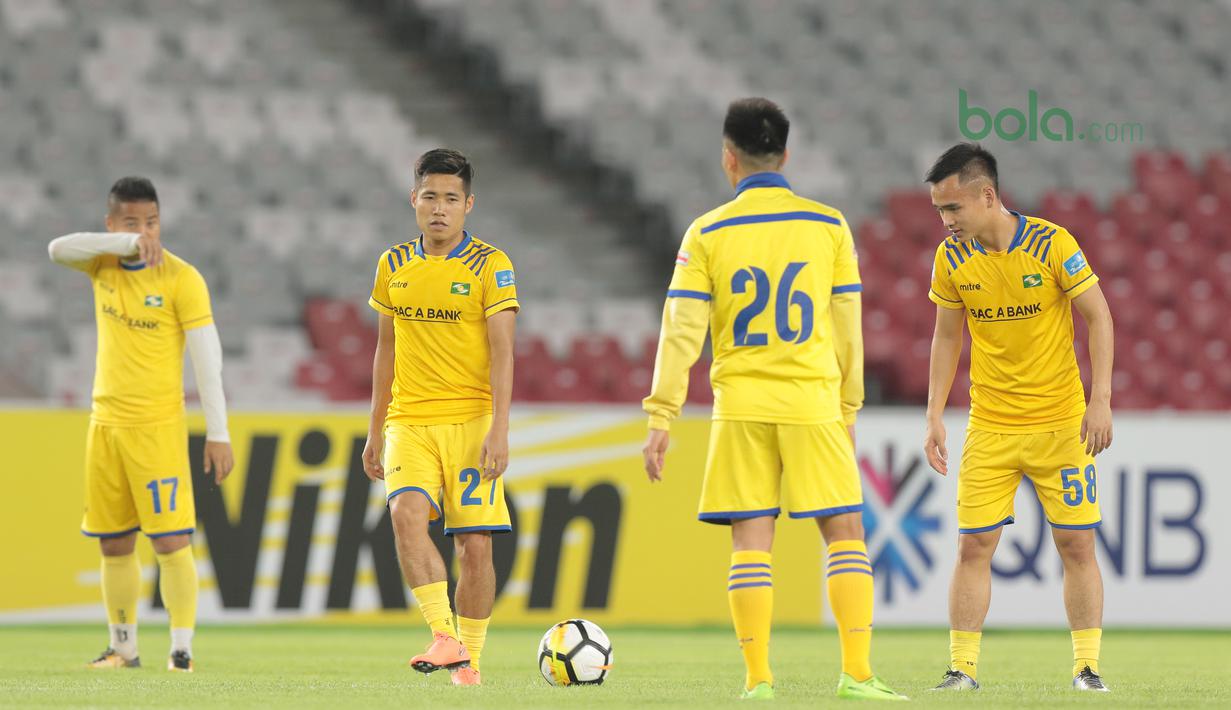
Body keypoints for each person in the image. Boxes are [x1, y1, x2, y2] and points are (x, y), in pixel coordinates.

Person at [642, 98, 905, 701]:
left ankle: (759, 681)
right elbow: (847, 326)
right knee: (844, 533)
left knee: (751, 540)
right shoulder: (828, 225)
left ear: (727, 158)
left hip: (741, 406)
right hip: (812, 402)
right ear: (786, 155)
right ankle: (858, 675)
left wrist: (662, 414)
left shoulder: (706, 232)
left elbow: (681, 328)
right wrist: (849, 408)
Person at [922, 143, 1114, 693]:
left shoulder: (1053, 244)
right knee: (973, 545)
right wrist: (935, 415)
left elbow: (1099, 317)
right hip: (990, 426)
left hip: (1061, 424)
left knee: (1076, 544)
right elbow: (945, 335)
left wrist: (1099, 400)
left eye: (952, 209)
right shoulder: (951, 259)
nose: (946, 222)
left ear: (987, 195)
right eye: (939, 212)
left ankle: (1086, 669)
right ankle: (962, 670)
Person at [47, 176, 234, 672]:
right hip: (104, 425)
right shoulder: (102, 262)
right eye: (133, 223)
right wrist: (124, 243)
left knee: (171, 540)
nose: (147, 232)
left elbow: (207, 360)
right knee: (114, 542)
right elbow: (56, 248)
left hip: (157, 427)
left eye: (152, 222)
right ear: (112, 225)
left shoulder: (180, 277)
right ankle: (123, 648)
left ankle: (181, 652)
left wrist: (219, 433)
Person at [361, 148, 519, 687]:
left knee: (474, 545)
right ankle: (444, 635)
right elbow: (386, 349)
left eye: (451, 198)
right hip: (409, 419)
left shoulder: (491, 265)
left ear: (468, 205)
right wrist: (374, 429)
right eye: (430, 196)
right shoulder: (392, 264)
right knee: (406, 513)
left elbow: (503, 352)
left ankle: (469, 663)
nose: (439, 208)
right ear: (414, 199)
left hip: (472, 421)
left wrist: (499, 428)